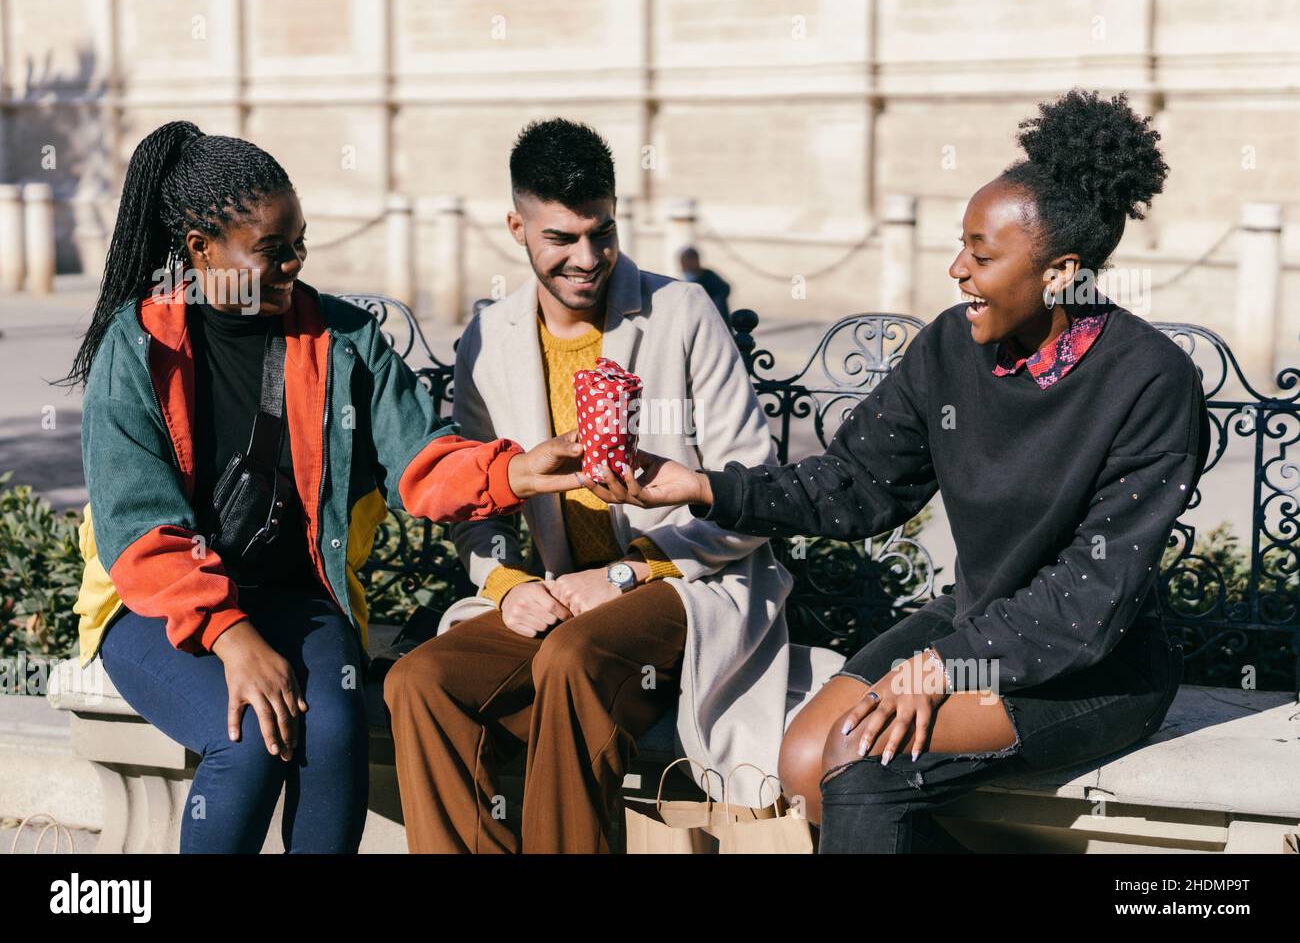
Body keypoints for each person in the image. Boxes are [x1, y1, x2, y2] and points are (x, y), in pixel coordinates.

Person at [581, 89, 1211, 853]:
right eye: (962, 247)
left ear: (1060, 272)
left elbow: (1091, 598)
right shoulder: (951, 347)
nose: (957, 269)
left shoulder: (1149, 379)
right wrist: (704, 487)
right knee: (804, 761)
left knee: (862, 762)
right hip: (975, 619)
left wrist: (946, 667)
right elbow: (854, 485)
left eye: (981, 255)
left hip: (1095, 667)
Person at [62, 121, 581, 854]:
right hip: (156, 606)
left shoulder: (345, 340)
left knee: (333, 738)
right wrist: (230, 634)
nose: (294, 266)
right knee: (245, 740)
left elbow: (419, 461)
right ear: (200, 249)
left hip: (303, 600)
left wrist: (514, 471)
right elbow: (138, 528)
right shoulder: (140, 346)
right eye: (273, 253)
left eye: (300, 244)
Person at [382, 118, 827, 853]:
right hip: (561, 593)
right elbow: (477, 501)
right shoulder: (487, 340)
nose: (587, 258)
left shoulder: (681, 313)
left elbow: (751, 489)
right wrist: (505, 587)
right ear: (517, 227)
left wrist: (626, 573)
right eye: (561, 238)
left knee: (571, 660)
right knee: (418, 683)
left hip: (692, 582)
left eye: (603, 232)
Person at [679, 246, 731, 326]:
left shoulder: (708, 275)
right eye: (683, 261)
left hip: (712, 323)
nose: (684, 264)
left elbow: (724, 289)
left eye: (687, 260)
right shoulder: (684, 277)